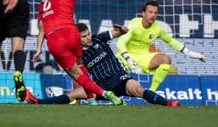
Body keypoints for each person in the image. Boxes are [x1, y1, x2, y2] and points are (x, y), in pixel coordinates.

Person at [25, 23, 180, 107]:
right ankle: (37, 102)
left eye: (88, 34)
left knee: (139, 89)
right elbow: (77, 75)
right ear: (77, 40)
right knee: (73, 94)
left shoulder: (99, 39)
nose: (88, 38)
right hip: (100, 87)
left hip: (120, 78)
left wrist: (123, 29)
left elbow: (120, 32)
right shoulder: (78, 55)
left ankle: (168, 103)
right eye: (84, 36)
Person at [32, 0, 126, 106]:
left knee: (75, 74)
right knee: (80, 66)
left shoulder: (43, 4)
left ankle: (103, 94)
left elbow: (41, 29)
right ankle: (91, 99)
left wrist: (38, 49)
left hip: (55, 38)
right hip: (71, 33)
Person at [117, 0, 206, 91]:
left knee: (166, 59)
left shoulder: (157, 29)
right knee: (118, 82)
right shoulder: (134, 23)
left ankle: (152, 91)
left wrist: (190, 53)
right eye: (150, 12)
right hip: (125, 56)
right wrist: (129, 59)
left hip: (144, 57)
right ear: (143, 13)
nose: (153, 15)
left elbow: (171, 42)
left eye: (155, 13)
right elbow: (120, 42)